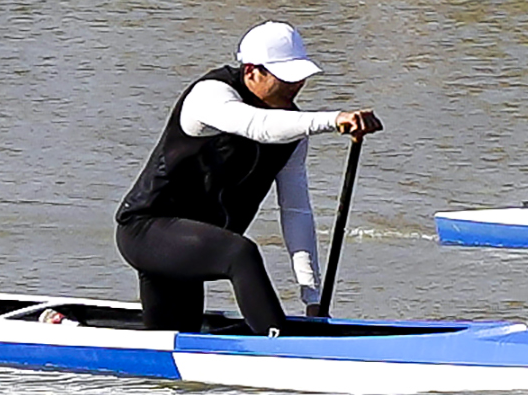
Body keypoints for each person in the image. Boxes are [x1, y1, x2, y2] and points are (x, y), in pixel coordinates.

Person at [114, 22, 382, 334]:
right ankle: (278, 344)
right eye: (286, 78)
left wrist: (312, 296)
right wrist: (333, 120)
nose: (296, 87)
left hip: (191, 246)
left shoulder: (292, 132)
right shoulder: (210, 95)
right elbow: (257, 126)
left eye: (300, 78)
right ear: (252, 71)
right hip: (146, 231)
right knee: (239, 252)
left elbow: (295, 212)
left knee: (173, 340)